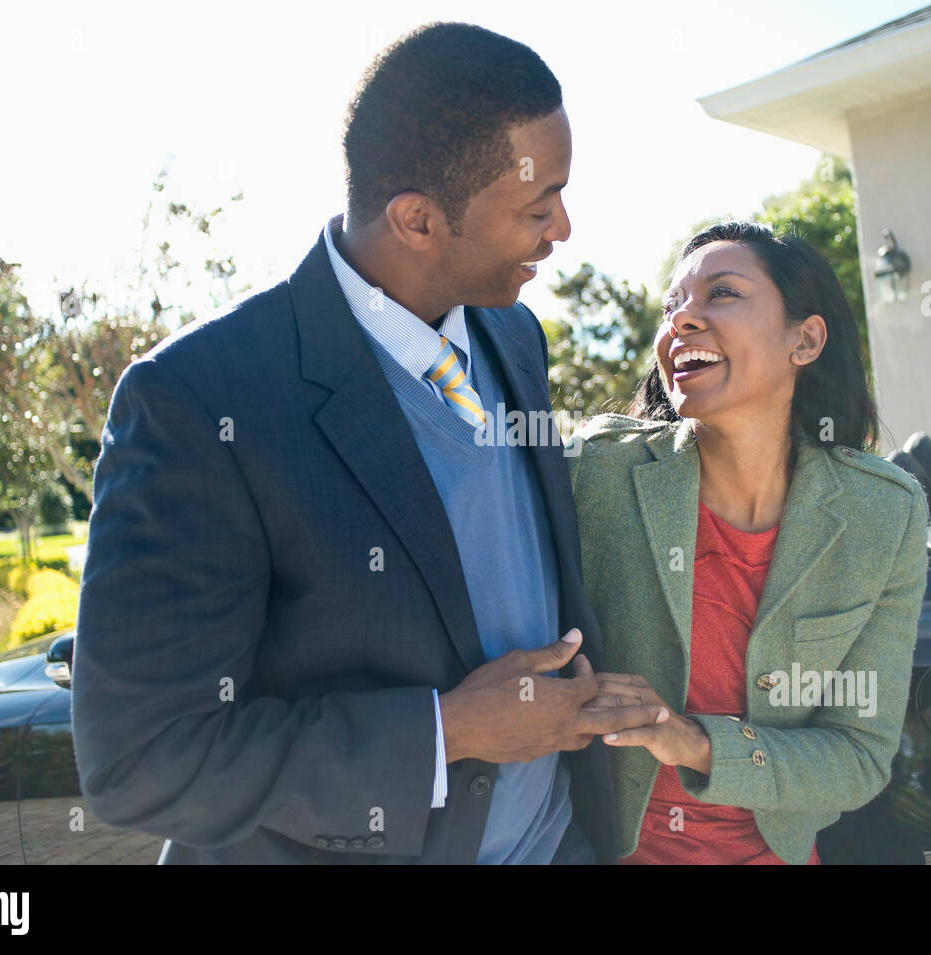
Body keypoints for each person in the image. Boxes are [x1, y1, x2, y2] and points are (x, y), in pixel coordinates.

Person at [72, 21, 662, 865]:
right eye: (538, 207)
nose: (563, 229)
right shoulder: (198, 400)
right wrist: (449, 730)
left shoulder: (514, 334)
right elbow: (143, 762)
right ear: (418, 220)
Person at [566, 220, 930, 864]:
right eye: (673, 304)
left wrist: (692, 741)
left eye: (722, 294)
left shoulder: (884, 513)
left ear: (804, 340)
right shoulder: (599, 472)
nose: (683, 319)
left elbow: (860, 754)